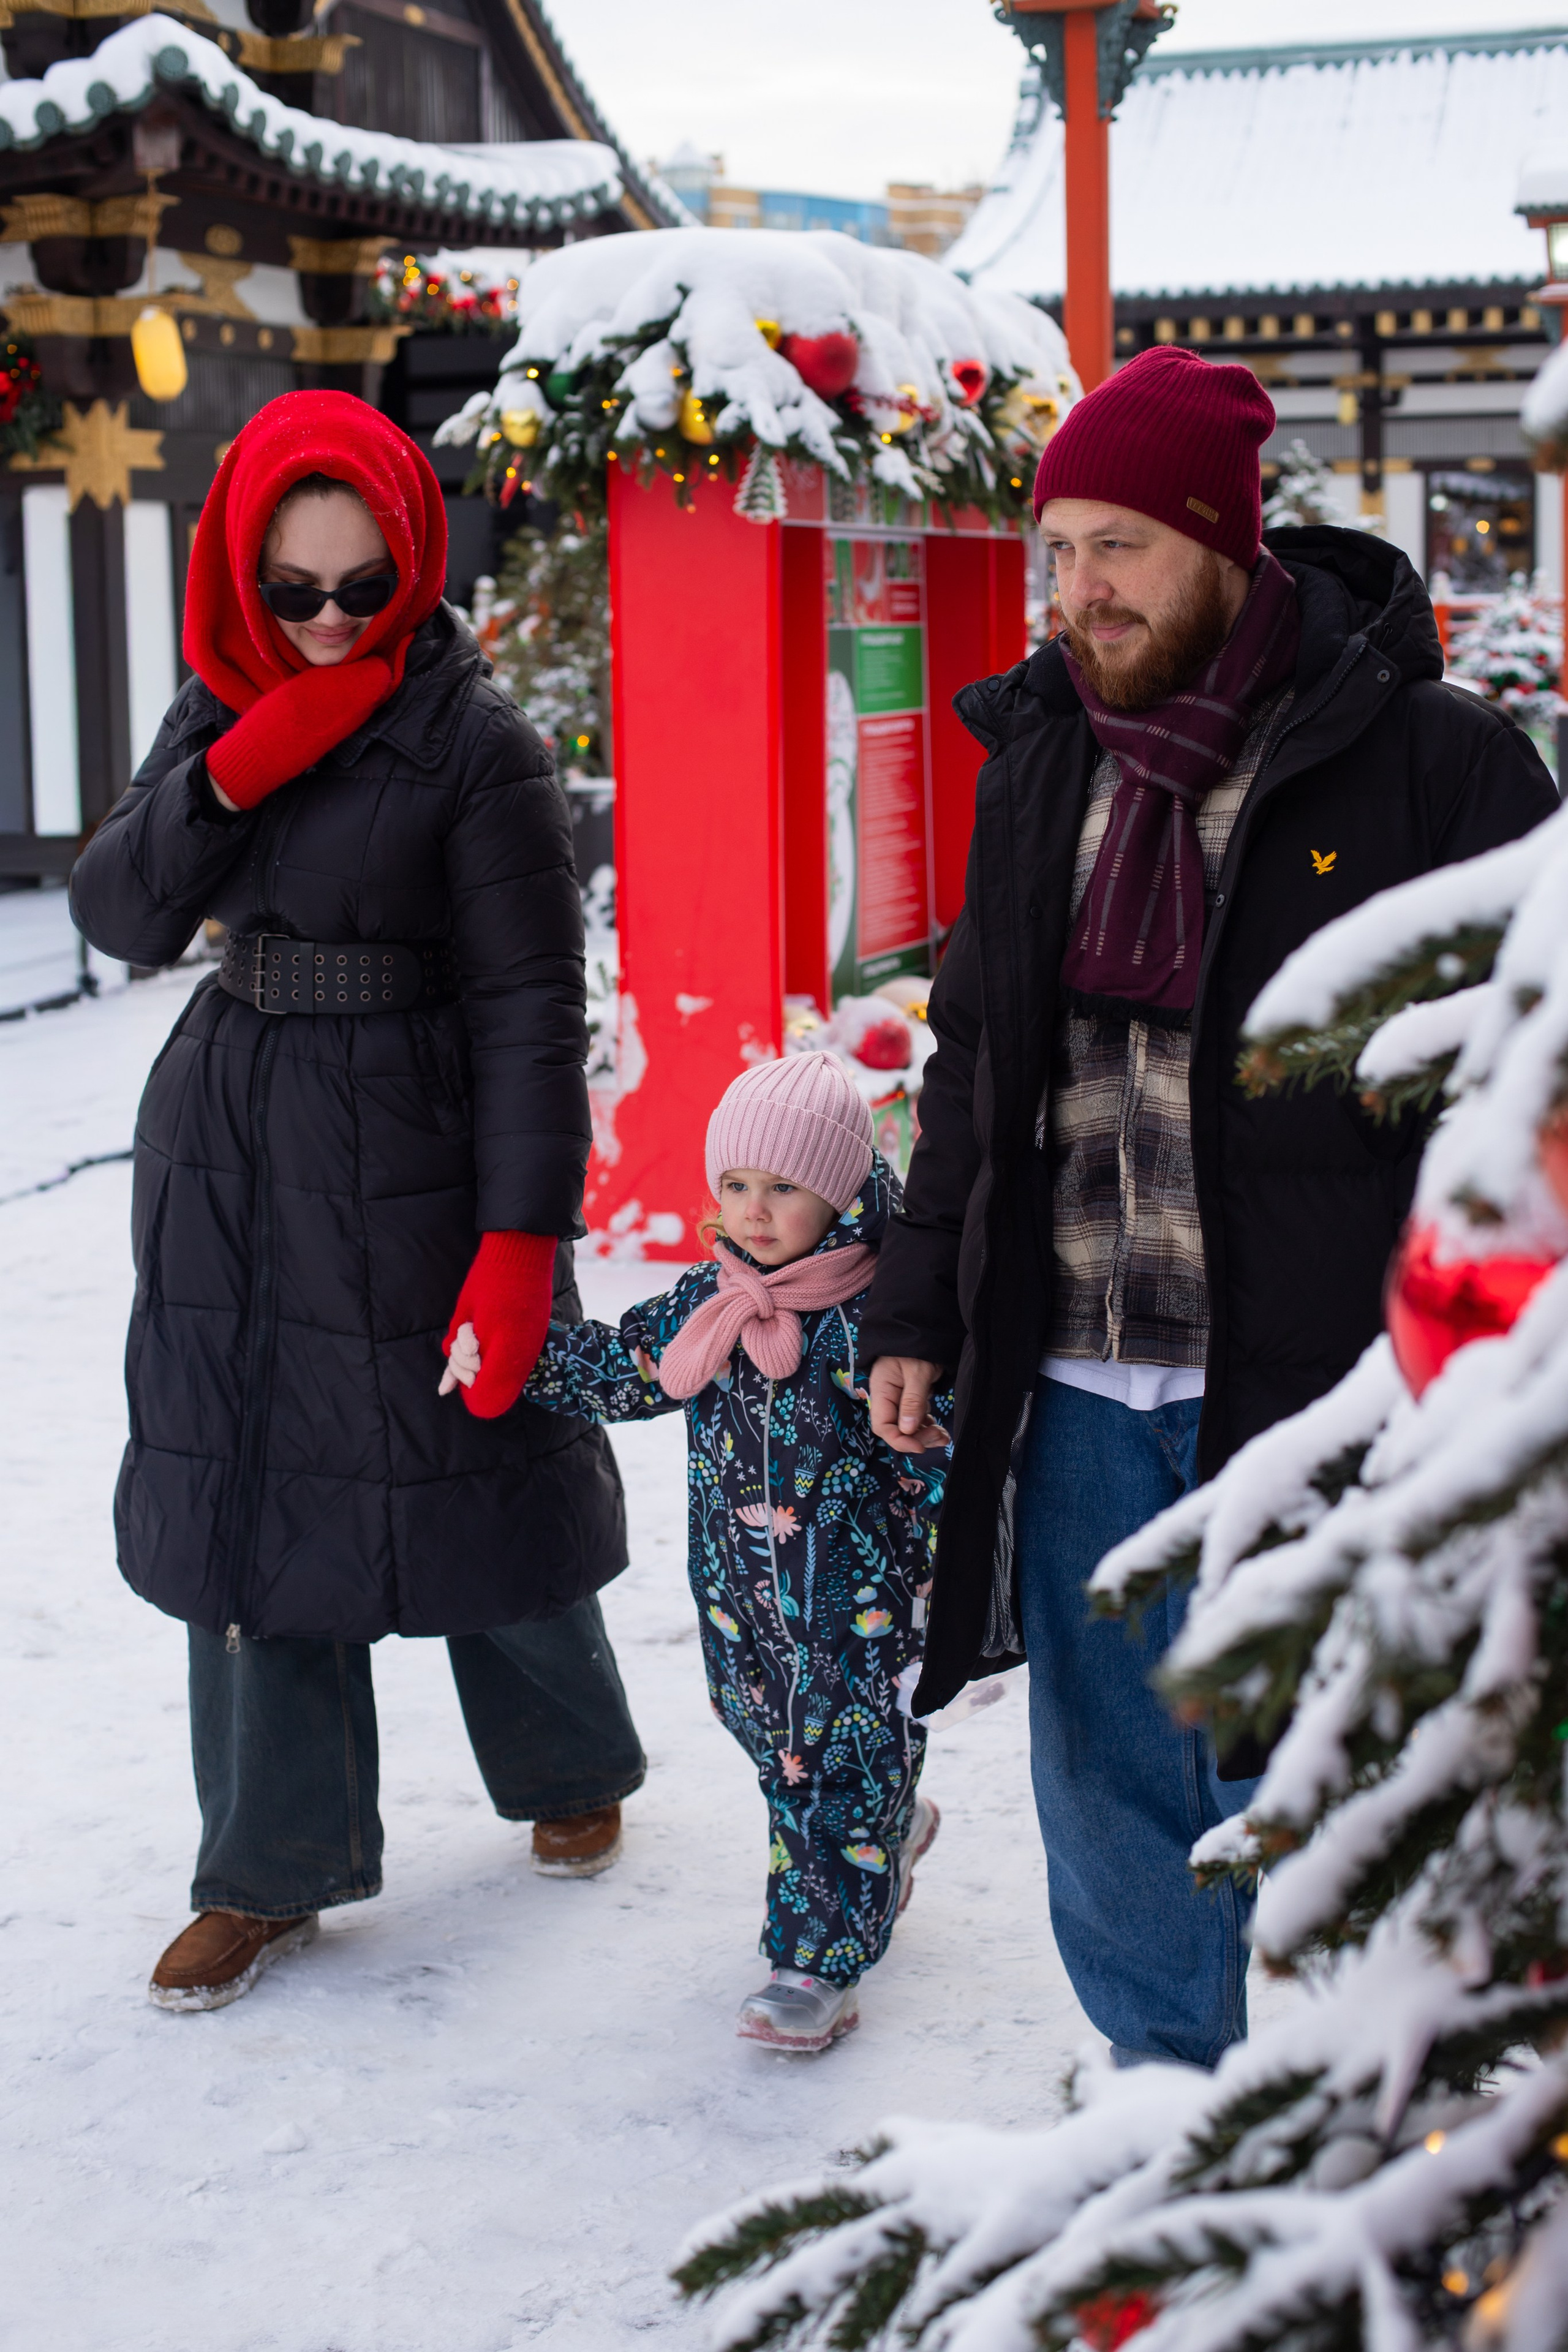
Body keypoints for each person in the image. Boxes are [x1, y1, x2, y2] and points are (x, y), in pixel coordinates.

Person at [861, 345, 1559, 2070]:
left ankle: (1337, 2131)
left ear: (1226, 546)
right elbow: (976, 1058)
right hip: (1086, 1377)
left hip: (1329, 1388)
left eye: (1123, 548)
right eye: (1058, 549)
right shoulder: (1041, 761)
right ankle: (1167, 2124)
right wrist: (914, 1303)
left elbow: (1531, 1083)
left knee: (1324, 1769)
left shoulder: (1431, 765)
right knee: (1107, 1795)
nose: (1080, 591)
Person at [70, 391, 644, 2013]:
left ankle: (571, 1755)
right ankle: (267, 1864)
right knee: (247, 1480)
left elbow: (533, 1004)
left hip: (421, 1135)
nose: (328, 625)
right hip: (235, 1136)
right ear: (247, 582)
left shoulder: (479, 746)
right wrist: (236, 770)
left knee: (476, 1451)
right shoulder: (214, 710)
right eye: (296, 593)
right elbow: (119, 910)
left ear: (413, 565)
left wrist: (523, 1244)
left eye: (361, 590)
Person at [473, 1054, 947, 2051]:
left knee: (833, 1764)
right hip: (739, 1601)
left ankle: (815, 1964)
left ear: (845, 1190)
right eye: (736, 1186)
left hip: (857, 1602)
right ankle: (886, 1832)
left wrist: (954, 1564)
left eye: (784, 1188)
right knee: (776, 1747)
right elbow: (626, 1369)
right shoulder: (711, 1297)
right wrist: (513, 1351)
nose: (755, 1211)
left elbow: (943, 1442)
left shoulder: (880, 1314)